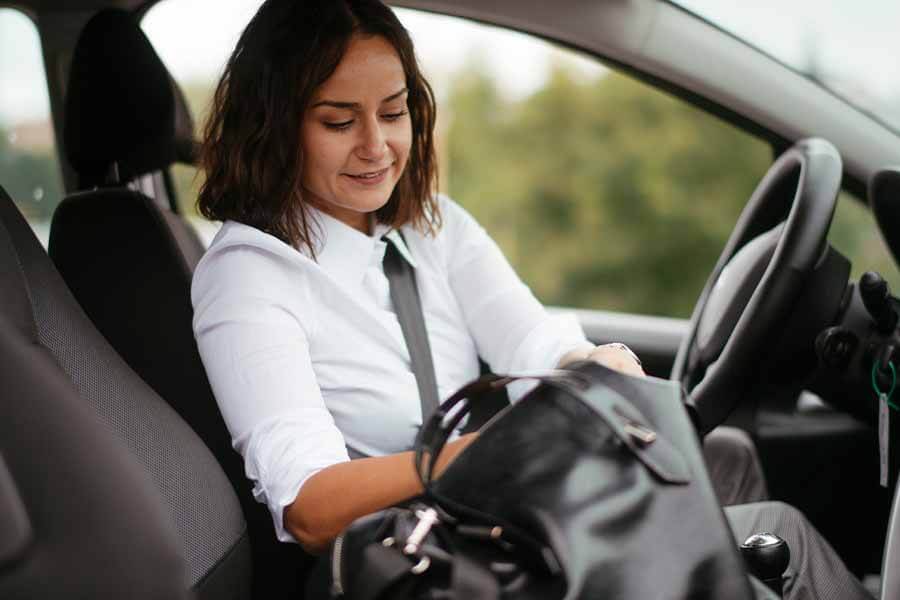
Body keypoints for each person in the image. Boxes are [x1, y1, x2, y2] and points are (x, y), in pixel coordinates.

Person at [190, 1, 872, 598]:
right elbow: (310, 507)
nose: (377, 146)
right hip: (419, 555)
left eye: (393, 113)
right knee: (784, 538)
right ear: (277, 127)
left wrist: (593, 365)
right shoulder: (249, 276)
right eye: (339, 122)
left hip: (489, 506)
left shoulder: (431, 227)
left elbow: (531, 339)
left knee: (726, 458)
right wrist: (492, 450)